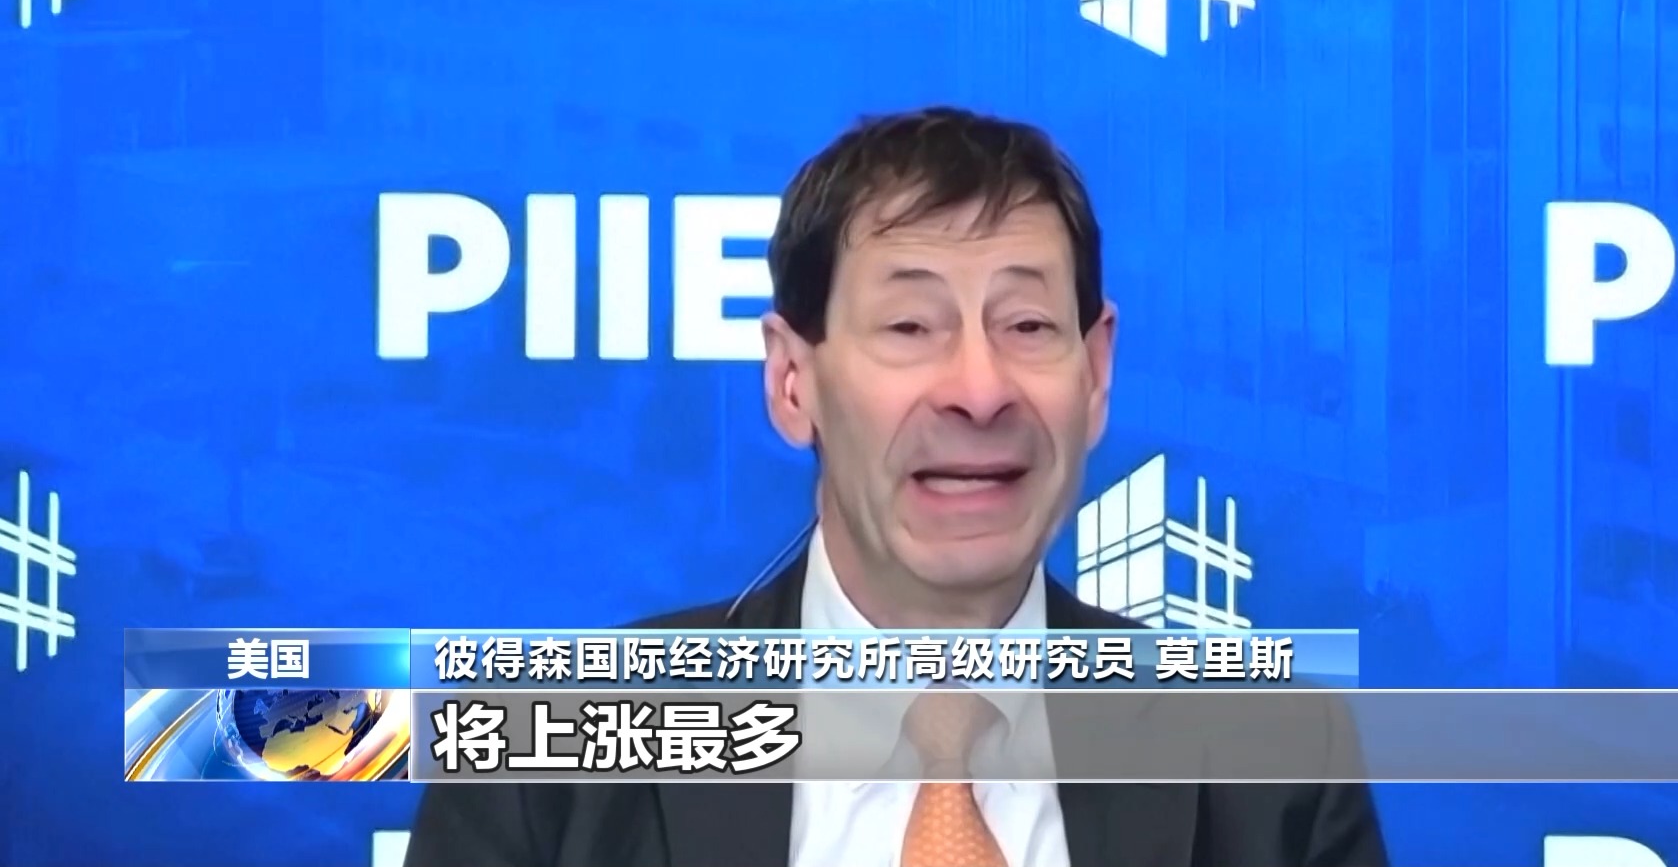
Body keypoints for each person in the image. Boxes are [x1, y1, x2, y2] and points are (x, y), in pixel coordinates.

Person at [404, 107, 1390, 867]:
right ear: (793, 382)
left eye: (1027, 326)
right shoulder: (539, 763)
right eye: (911, 328)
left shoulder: (1272, 759)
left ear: (1095, 376)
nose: (979, 390)